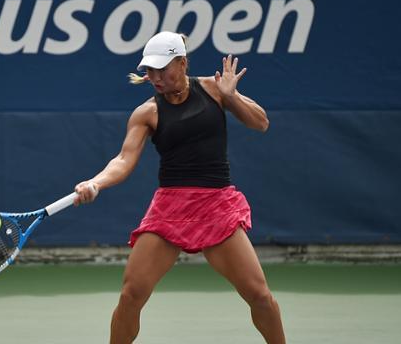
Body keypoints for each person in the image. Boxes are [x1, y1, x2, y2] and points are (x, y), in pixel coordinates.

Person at [73, 31, 286, 344]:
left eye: (163, 69)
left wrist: (232, 96)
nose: (156, 77)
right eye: (150, 70)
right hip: (170, 208)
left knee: (259, 295)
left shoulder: (215, 89)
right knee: (131, 294)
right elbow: (123, 159)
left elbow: (261, 123)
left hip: (217, 205)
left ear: (183, 63)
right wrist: (96, 182)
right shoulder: (147, 112)